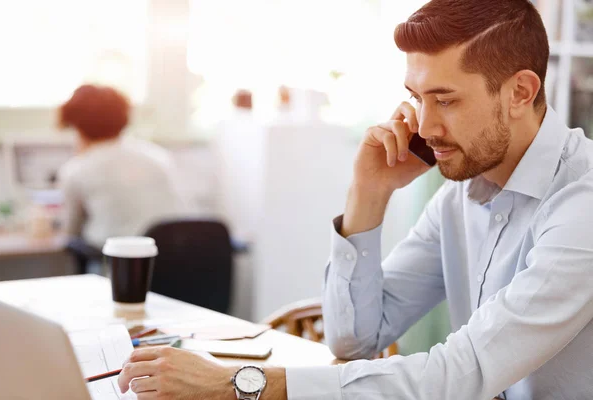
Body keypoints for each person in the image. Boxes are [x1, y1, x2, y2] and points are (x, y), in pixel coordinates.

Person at [117, 1, 593, 399]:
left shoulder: (581, 204)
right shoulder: (461, 195)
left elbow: (466, 370)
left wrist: (240, 384)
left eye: (445, 100)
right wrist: (369, 193)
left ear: (520, 92)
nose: (424, 127)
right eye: (416, 97)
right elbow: (355, 339)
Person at [57, 84, 185, 250]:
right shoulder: (158, 156)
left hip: (116, 266)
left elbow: (71, 231)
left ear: (77, 126)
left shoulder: (77, 169)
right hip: (175, 260)